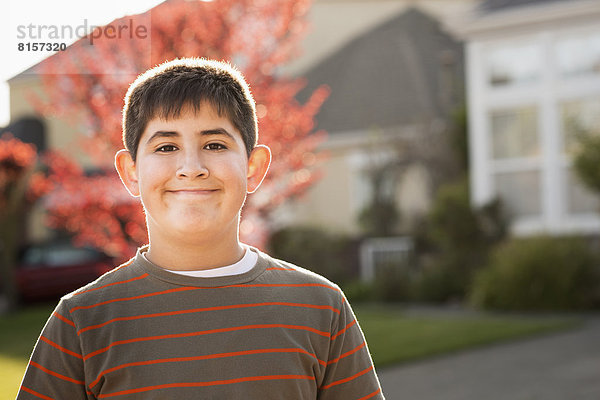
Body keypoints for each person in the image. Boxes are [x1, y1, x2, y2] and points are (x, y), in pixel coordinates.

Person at [17, 58, 384, 400]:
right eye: (166, 147)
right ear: (131, 173)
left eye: (214, 144)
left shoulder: (321, 308)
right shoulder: (81, 322)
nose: (191, 167)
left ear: (253, 167)